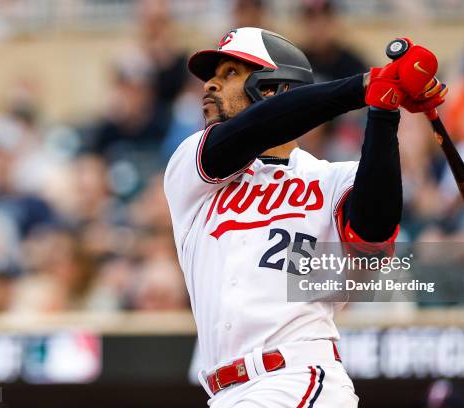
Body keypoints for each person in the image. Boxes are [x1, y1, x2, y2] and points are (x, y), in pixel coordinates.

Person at [164, 28, 446, 407]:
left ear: (272, 88)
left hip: (298, 379)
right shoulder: (191, 170)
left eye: (230, 73)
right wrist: (366, 84)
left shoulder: (332, 180)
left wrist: (383, 110)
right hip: (225, 392)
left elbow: (373, 235)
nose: (210, 85)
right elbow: (256, 128)